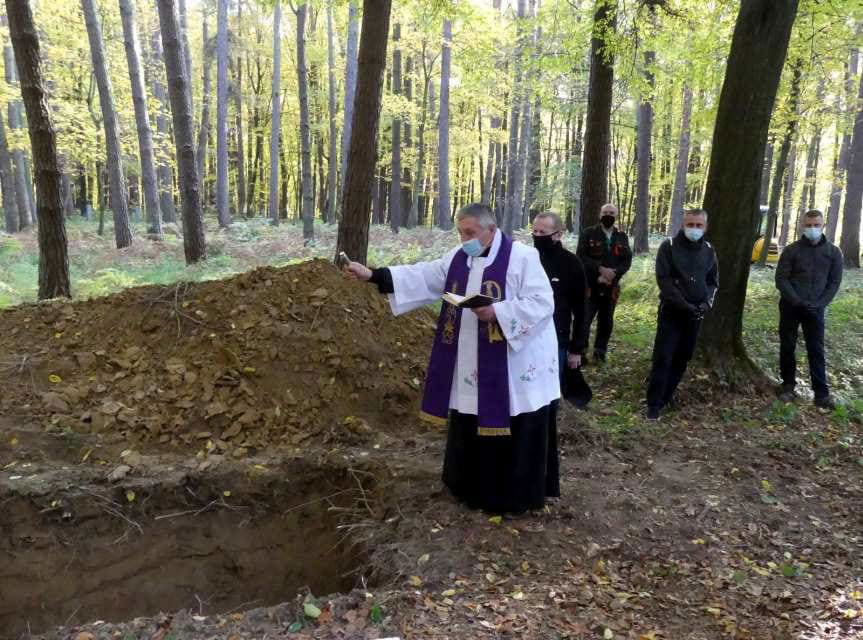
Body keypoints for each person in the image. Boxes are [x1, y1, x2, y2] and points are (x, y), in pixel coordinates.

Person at [343, 203, 560, 513]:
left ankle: (514, 499)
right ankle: (469, 490)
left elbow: (542, 302)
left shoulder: (523, 258)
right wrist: (373, 275)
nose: (464, 239)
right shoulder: (460, 259)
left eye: (470, 233)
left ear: (491, 230)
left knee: (514, 426)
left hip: (515, 363)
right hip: (472, 359)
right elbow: (425, 276)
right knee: (471, 420)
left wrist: (497, 311)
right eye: (460, 232)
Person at [645, 209, 718, 421]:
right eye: (691, 224)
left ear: (705, 227)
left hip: (696, 315)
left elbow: (713, 281)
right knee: (663, 356)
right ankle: (654, 403)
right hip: (672, 312)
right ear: (683, 224)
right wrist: (683, 304)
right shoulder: (668, 246)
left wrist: (706, 304)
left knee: (683, 357)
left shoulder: (709, 250)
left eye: (699, 225)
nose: (694, 229)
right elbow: (664, 279)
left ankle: (667, 396)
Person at [775, 209, 843, 409]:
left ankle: (821, 394)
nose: (812, 229)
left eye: (816, 225)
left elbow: (834, 281)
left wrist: (820, 304)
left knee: (816, 349)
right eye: (808, 225)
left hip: (816, 309)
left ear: (823, 226)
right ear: (802, 226)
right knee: (787, 346)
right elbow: (781, 278)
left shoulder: (833, 252)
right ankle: (788, 386)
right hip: (790, 306)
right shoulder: (791, 250)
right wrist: (796, 301)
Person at [531, 212, 591, 406]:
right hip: (526, 336)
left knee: (550, 393)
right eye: (535, 231)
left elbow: (582, 311)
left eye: (543, 232)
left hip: (557, 338)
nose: (538, 236)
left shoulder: (571, 263)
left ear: (558, 234)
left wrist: (576, 349)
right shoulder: (526, 259)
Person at [576, 203, 632, 363]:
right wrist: (599, 271)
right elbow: (581, 255)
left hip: (612, 286)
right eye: (605, 212)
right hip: (591, 285)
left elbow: (627, 260)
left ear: (616, 216)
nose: (608, 215)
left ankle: (600, 351)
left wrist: (614, 274)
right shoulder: (588, 233)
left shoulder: (622, 236)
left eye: (612, 213)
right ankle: (581, 351)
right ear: (600, 215)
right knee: (584, 319)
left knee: (606, 320)